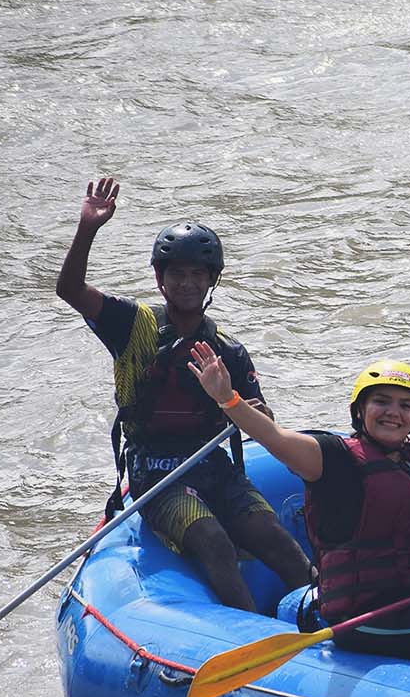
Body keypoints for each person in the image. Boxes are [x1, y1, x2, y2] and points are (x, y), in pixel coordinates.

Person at [55, 177, 312, 612]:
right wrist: (88, 228)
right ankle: (251, 635)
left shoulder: (228, 350)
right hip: (155, 474)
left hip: (214, 469)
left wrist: (254, 412)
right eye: (177, 274)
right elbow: (70, 290)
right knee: (214, 541)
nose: (187, 283)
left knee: (277, 541)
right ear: (160, 279)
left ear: (212, 280)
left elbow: (261, 421)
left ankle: (330, 615)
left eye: (198, 274)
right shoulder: (130, 324)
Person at [189, 347, 410, 672]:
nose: (393, 412)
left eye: (405, 405)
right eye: (381, 401)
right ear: (360, 410)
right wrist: (228, 399)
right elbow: (273, 437)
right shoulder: (333, 459)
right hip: (369, 616)